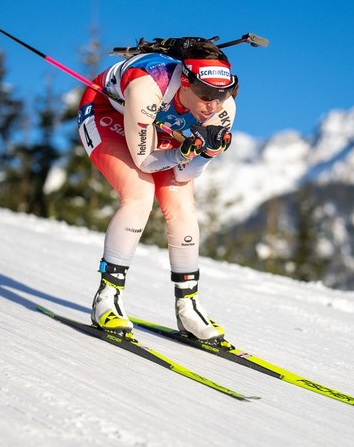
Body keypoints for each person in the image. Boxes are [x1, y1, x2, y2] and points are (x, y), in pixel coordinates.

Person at [75, 39, 237, 340]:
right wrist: (180, 152)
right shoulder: (147, 86)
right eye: (205, 94)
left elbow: (185, 173)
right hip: (105, 111)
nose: (213, 104)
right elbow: (146, 161)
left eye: (223, 93)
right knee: (139, 194)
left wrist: (203, 153)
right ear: (186, 84)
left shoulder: (222, 109)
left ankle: (188, 306)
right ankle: (106, 298)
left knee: (183, 206)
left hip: (156, 124)